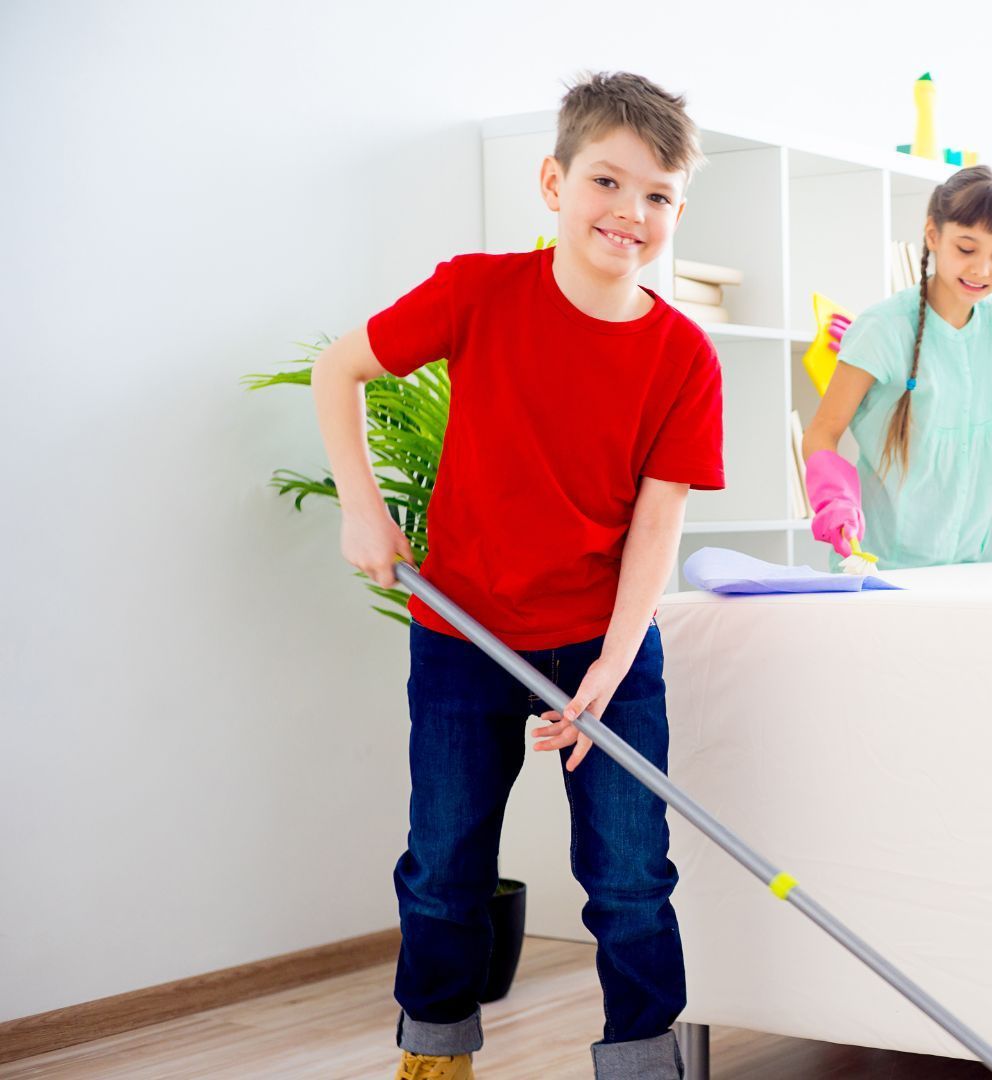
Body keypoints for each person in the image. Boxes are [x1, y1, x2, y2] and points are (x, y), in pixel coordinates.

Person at [312, 72, 726, 1080]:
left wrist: (605, 673)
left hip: (606, 638)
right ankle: (437, 1049)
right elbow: (340, 369)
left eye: (660, 195)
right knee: (447, 861)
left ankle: (639, 1062)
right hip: (465, 635)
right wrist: (365, 509)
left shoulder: (683, 359)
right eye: (607, 181)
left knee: (630, 874)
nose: (631, 213)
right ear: (554, 180)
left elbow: (656, 529)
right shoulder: (478, 293)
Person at [803, 165, 992, 591]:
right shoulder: (883, 329)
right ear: (933, 235)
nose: (982, 269)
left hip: (975, 567)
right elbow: (824, 431)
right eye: (966, 248)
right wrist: (835, 501)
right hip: (882, 570)